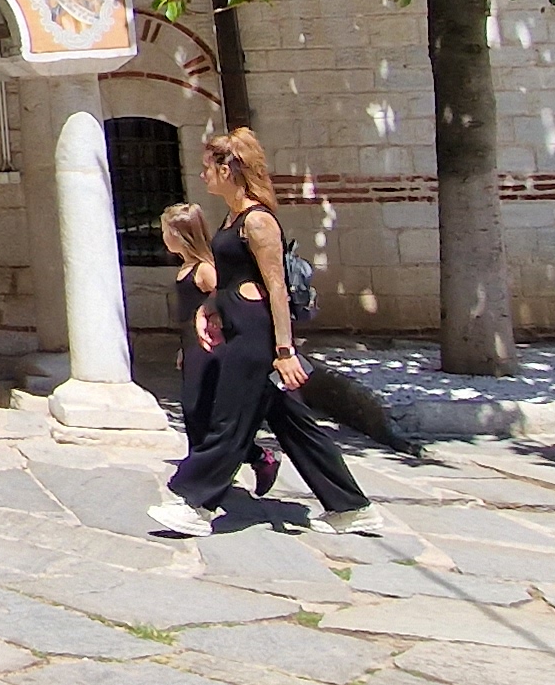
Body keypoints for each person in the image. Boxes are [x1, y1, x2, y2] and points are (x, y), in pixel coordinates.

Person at [149, 129, 385, 537]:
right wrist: (209, 309)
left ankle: (195, 502)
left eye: (208, 168)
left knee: (229, 419)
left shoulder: (257, 221)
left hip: (256, 335)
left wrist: (284, 351)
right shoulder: (231, 218)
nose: (203, 175)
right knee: (296, 426)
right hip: (237, 326)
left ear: (227, 170)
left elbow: (276, 288)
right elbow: (231, 280)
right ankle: (351, 507)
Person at [159, 204, 278, 502]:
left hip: (209, 350)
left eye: (165, 231)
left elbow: (223, 303)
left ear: (179, 234)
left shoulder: (205, 270)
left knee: (203, 411)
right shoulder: (186, 267)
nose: (163, 237)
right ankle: (204, 470)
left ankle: (250, 460)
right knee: (193, 410)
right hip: (192, 345)